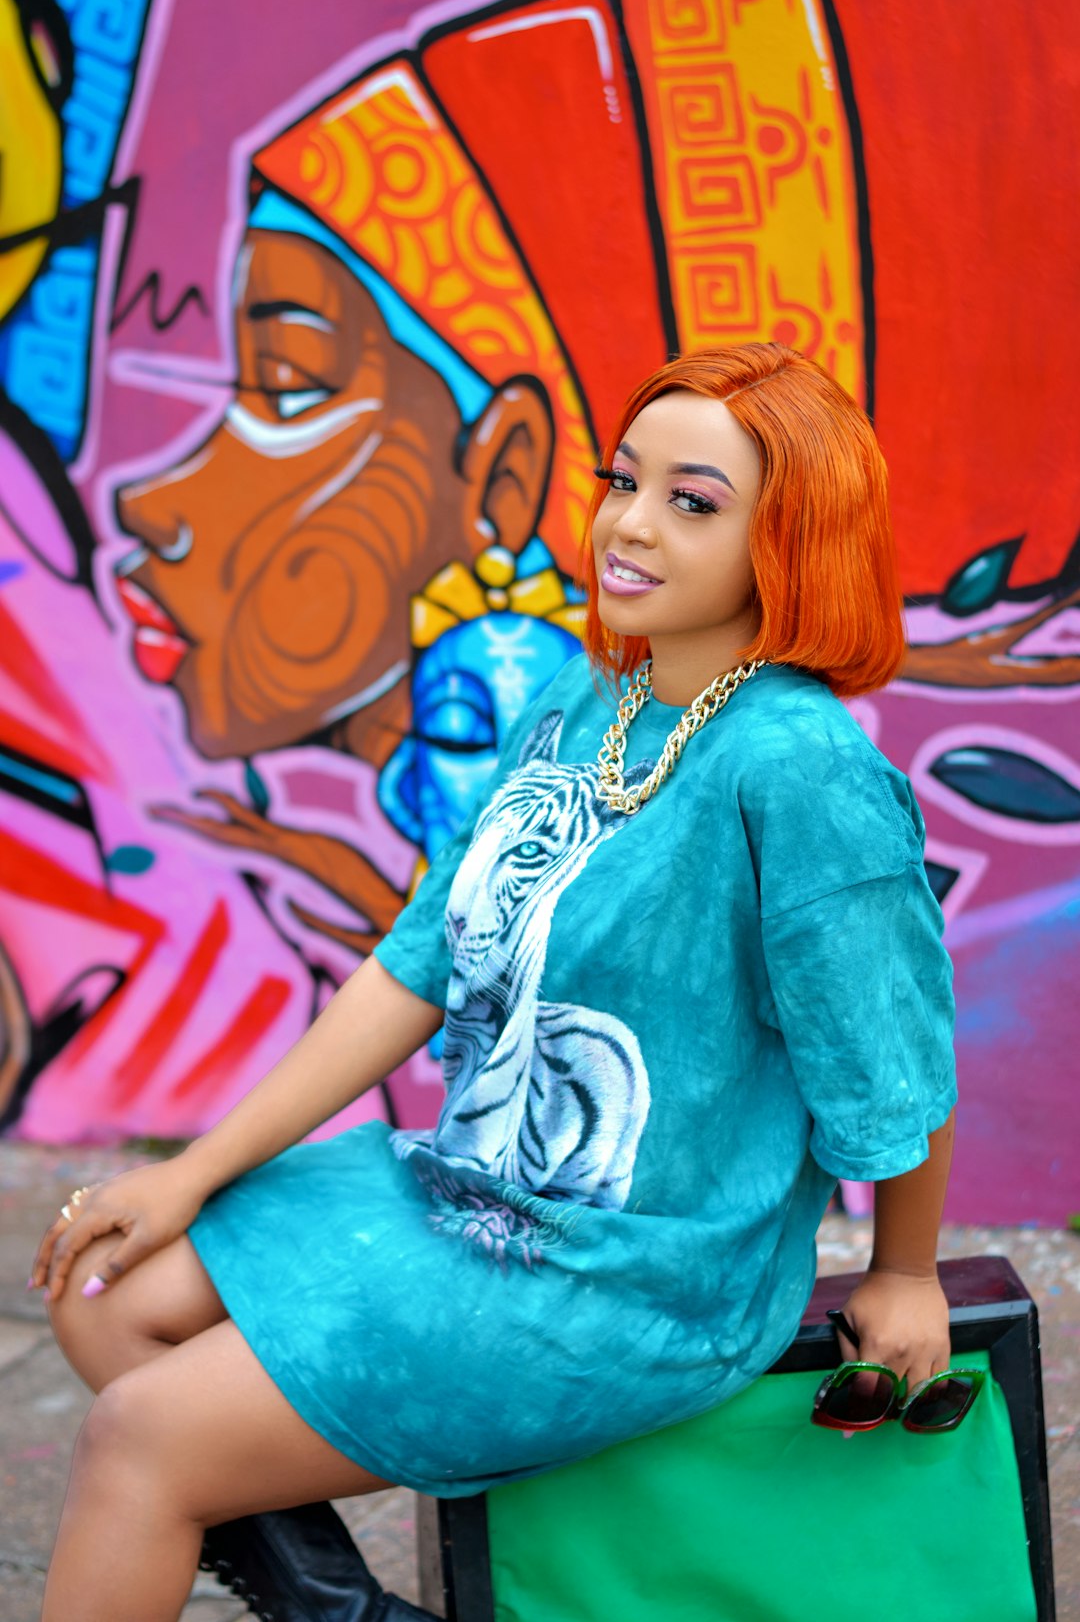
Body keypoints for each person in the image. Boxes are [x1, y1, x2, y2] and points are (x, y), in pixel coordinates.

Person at [30, 341, 957, 1622]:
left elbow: (892, 1059)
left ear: (788, 541)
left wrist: (904, 1272)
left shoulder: (801, 771)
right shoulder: (595, 708)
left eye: (694, 501)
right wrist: (188, 1170)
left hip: (637, 1272)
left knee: (141, 1436)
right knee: (106, 1289)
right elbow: (413, 964)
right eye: (623, 479)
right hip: (470, 1189)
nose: (628, 525)